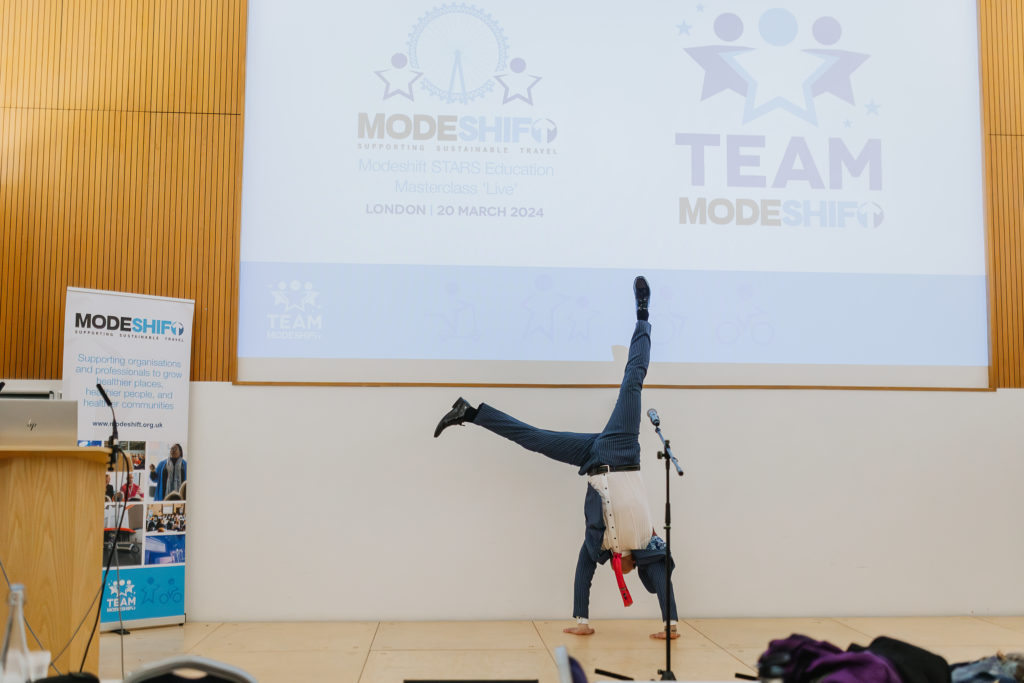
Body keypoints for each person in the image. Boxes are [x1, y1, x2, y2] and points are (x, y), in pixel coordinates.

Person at [433, 276, 678, 640]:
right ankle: (643, 313)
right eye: (631, 571)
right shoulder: (645, 540)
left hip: (594, 458)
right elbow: (660, 570)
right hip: (622, 447)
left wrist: (582, 622)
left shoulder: (602, 545)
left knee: (534, 439)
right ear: (636, 565)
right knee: (632, 380)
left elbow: (584, 572)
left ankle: (470, 412)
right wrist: (670, 624)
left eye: (624, 571)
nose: (625, 571)